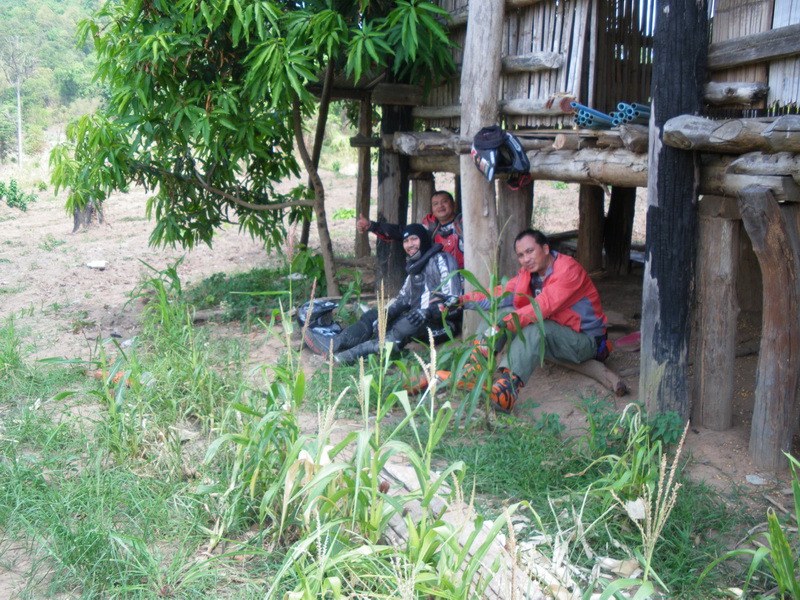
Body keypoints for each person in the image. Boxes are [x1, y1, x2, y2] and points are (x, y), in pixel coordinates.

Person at [457, 229, 610, 413]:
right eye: (521, 255)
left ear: (545, 249)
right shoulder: (529, 274)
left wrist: (506, 324)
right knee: (502, 312)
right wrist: (461, 301)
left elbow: (542, 307)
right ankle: (474, 368)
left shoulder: (567, 270)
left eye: (530, 251)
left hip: (585, 342)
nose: (526, 259)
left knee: (532, 325)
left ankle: (506, 391)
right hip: (557, 335)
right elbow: (501, 293)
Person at [304, 223, 463, 364]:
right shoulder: (414, 269)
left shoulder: (442, 259)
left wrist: (428, 312)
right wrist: (385, 315)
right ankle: (335, 344)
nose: (410, 245)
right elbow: (403, 299)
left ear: (424, 240)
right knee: (373, 317)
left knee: (405, 325)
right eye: (406, 241)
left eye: (414, 239)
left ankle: (346, 357)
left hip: (443, 325)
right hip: (414, 319)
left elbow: (454, 301)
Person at [356, 190, 465, 269]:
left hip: (467, 275)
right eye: (435, 204)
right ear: (432, 209)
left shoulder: (465, 224)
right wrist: (372, 226)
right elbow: (401, 231)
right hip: (438, 276)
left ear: (454, 204)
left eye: (444, 201)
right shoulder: (430, 226)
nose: (440, 206)